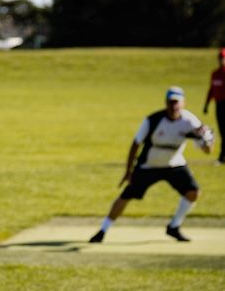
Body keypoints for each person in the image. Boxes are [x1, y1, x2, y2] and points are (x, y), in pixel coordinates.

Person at [89, 86, 213, 243]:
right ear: (166, 102)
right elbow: (135, 144)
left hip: (173, 164)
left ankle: (174, 227)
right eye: (170, 102)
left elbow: (207, 150)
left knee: (193, 192)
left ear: (183, 103)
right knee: (126, 196)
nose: (173, 105)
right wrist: (129, 171)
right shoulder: (153, 120)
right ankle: (102, 230)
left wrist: (207, 142)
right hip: (148, 166)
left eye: (177, 102)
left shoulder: (190, 121)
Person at [202, 48, 225, 165]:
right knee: (222, 131)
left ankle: (222, 157)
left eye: (223, 57)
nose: (222, 60)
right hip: (219, 105)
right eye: (220, 58)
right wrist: (206, 104)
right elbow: (212, 90)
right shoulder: (215, 74)